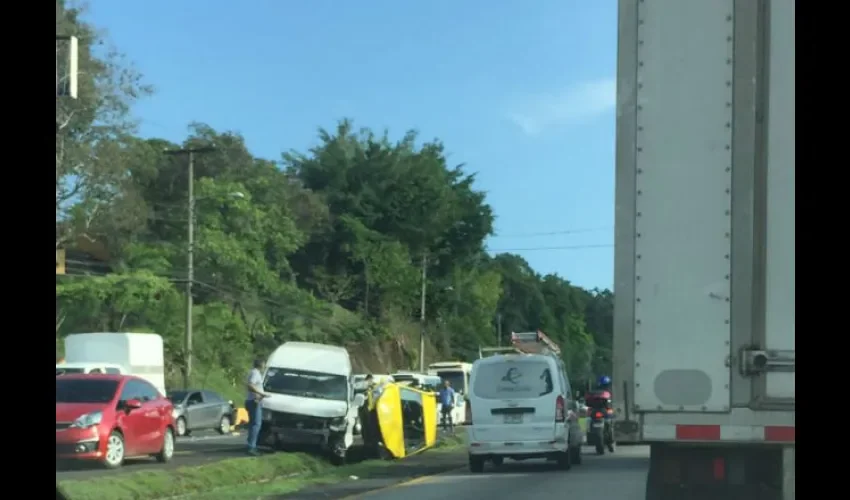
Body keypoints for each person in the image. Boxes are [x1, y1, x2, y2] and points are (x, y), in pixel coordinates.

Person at [245, 358, 269, 456]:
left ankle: (250, 444)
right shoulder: (255, 373)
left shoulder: (253, 372)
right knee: (256, 424)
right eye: (264, 364)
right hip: (254, 401)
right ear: (261, 364)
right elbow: (250, 385)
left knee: (252, 424)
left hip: (251, 400)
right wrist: (260, 393)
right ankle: (252, 447)